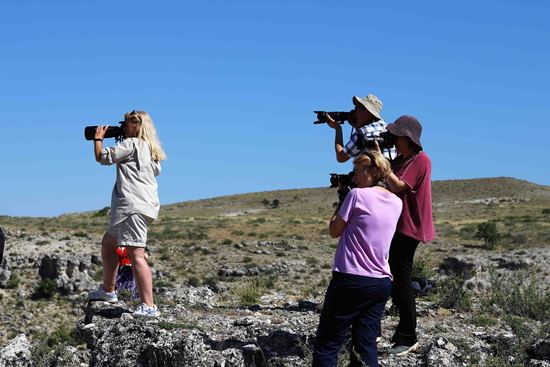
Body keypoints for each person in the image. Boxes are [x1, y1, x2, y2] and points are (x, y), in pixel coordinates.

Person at [312, 152, 403, 367]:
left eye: (356, 173)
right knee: (365, 346)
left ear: (373, 172)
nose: (353, 178)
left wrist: (343, 200)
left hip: (350, 279)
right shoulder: (397, 202)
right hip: (380, 282)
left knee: (328, 344)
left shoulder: (357, 196)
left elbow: (334, 230)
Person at [87, 110, 166, 317]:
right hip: (136, 206)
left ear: (136, 125)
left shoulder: (131, 144)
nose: (123, 127)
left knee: (136, 255)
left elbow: (102, 157)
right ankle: (108, 290)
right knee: (109, 243)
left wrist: (98, 138)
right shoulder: (151, 150)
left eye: (126, 124)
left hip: (133, 206)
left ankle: (149, 306)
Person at [380, 115, 435, 355]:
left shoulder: (421, 160)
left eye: (397, 136)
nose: (394, 140)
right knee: (395, 277)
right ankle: (402, 331)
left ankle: (408, 336)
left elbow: (399, 186)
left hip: (409, 227)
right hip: (397, 225)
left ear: (408, 138)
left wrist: (382, 164)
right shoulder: (402, 159)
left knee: (401, 280)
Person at [325, 94, 395, 162]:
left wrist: (338, 129)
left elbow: (341, 157)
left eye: (357, 109)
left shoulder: (362, 132)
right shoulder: (387, 128)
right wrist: (356, 126)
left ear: (366, 112)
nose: (355, 113)